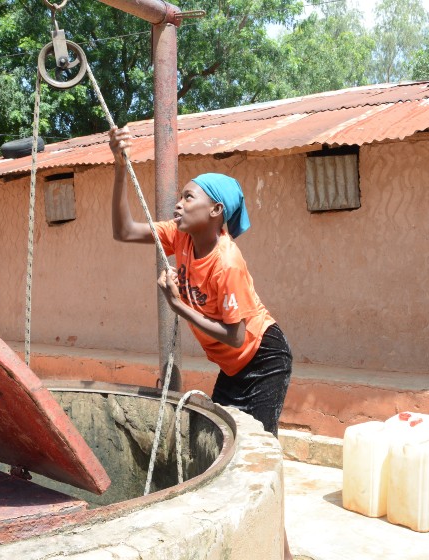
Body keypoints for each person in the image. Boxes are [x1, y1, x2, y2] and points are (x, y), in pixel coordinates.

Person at [109, 126, 293, 559]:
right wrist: (120, 169)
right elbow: (124, 231)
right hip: (233, 367)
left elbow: (235, 333)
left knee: (254, 461)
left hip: (263, 358)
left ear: (216, 210)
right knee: (224, 452)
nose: (178, 203)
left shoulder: (226, 261)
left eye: (189, 197)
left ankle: (279, 552)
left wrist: (178, 306)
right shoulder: (182, 237)